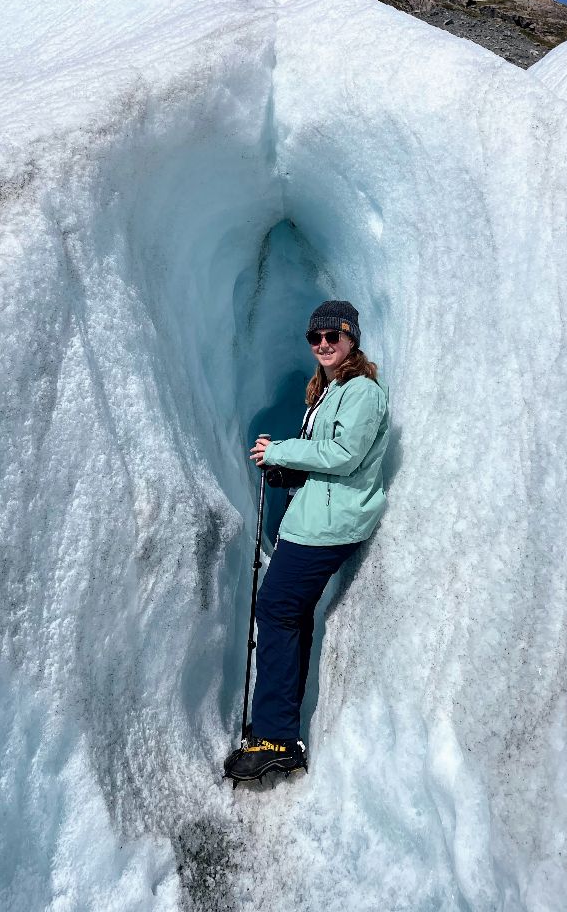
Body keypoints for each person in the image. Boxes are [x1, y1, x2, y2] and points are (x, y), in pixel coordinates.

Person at [225, 300, 390, 782]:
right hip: (315, 518)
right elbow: (329, 461)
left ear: (351, 338)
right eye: (315, 339)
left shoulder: (361, 390)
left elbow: (345, 453)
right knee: (287, 613)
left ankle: (276, 736)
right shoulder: (330, 390)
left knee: (276, 609)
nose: (323, 345)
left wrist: (282, 450)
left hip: (329, 525)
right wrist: (289, 470)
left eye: (332, 337)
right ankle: (279, 733)